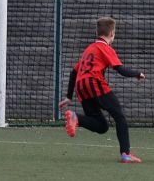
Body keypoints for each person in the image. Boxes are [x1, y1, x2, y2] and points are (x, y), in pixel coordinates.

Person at [59, 17, 145, 163]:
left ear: (97, 32)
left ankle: (76, 118)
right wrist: (137, 73)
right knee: (120, 117)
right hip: (94, 84)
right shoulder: (105, 48)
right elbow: (120, 69)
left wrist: (69, 96)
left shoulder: (89, 49)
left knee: (102, 126)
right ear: (112, 33)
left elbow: (74, 72)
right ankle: (126, 154)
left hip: (81, 87)